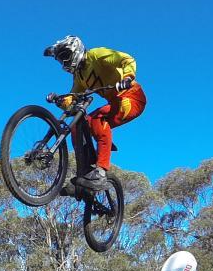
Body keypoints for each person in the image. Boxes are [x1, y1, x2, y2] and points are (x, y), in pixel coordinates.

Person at [43, 35, 146, 190]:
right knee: (77, 125)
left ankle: (101, 171)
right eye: (60, 60)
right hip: (114, 103)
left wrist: (127, 77)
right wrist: (59, 100)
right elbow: (73, 100)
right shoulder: (79, 76)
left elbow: (127, 59)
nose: (63, 63)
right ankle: (84, 173)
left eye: (65, 56)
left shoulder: (96, 55)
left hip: (132, 97)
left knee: (99, 118)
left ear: (75, 50)